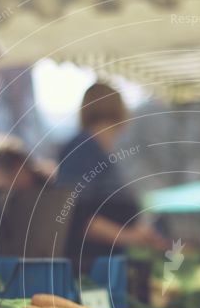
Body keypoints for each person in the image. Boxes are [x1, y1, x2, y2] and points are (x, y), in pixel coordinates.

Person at [57, 82, 165, 272]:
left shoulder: (112, 150)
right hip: (88, 267)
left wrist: (137, 233)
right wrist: (127, 236)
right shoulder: (81, 150)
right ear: (119, 109)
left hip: (111, 263)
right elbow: (75, 214)